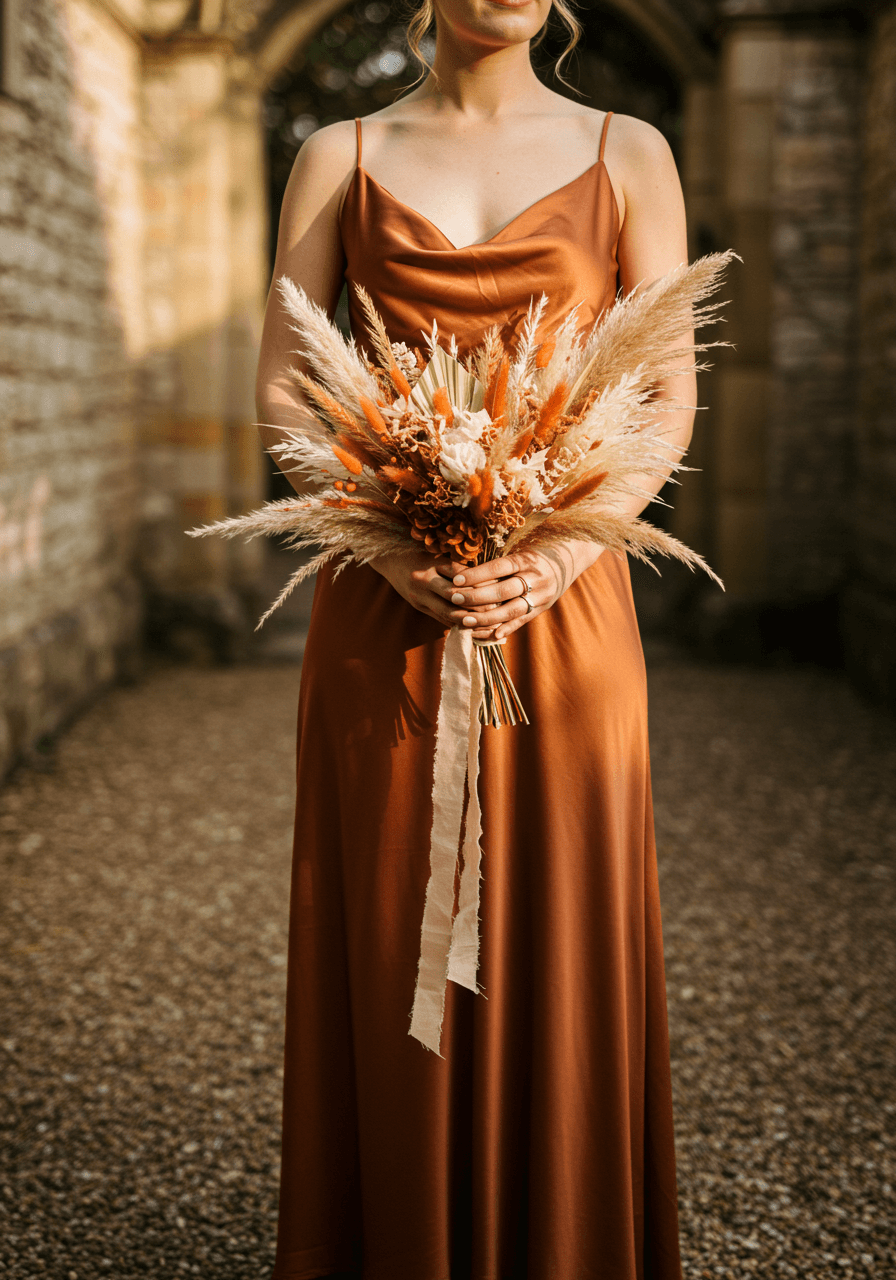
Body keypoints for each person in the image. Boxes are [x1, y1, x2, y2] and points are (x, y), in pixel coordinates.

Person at [256, 2, 693, 1276]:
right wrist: (389, 544)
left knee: (560, 941)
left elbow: (664, 395)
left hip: (569, 608)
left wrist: (559, 551)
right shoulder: (337, 153)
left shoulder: (631, 152)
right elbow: (287, 384)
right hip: (381, 604)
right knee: (390, 914)